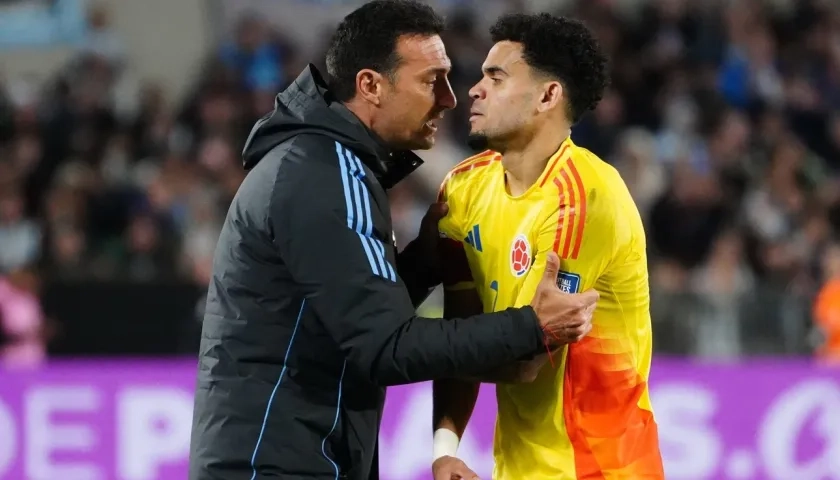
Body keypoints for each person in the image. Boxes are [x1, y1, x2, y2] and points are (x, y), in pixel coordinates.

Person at [188, 2, 600, 479]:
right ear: (371, 86)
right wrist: (531, 326)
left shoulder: (321, 164)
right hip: (278, 465)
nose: (450, 98)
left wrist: (425, 262)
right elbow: (384, 346)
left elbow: (343, 313)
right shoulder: (325, 175)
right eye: (432, 80)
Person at [431, 13, 665, 480]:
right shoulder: (463, 189)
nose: (474, 89)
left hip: (599, 471)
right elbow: (462, 325)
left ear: (547, 95)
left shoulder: (586, 197)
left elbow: (523, 360)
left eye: (495, 77)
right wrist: (445, 448)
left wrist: (397, 351)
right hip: (514, 469)